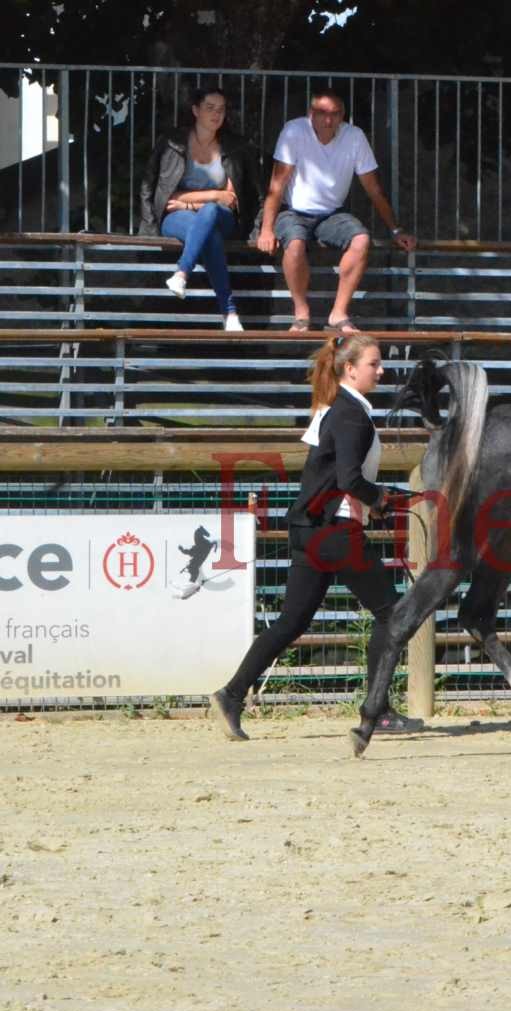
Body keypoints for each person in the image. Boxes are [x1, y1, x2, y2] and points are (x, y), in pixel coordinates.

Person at [209, 333, 420, 740]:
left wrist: (372, 499)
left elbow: (332, 477)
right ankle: (379, 711)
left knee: (291, 621)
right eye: (374, 364)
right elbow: (349, 479)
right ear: (350, 368)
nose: (381, 371)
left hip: (310, 529)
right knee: (391, 613)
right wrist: (377, 498)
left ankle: (232, 694)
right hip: (335, 530)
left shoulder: (334, 409)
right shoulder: (351, 415)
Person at [256, 87, 418, 333]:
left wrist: (396, 230)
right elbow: (277, 185)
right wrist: (267, 229)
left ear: (343, 116)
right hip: (293, 211)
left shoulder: (354, 137)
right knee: (296, 243)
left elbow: (373, 189)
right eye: (322, 113)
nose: (328, 120)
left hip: (331, 213)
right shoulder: (294, 131)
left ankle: (339, 313)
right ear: (311, 114)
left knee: (362, 239)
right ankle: (301, 314)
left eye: (335, 113)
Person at [138, 85, 261, 332]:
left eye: (221, 109)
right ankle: (229, 312)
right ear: (195, 110)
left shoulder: (235, 147)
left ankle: (182, 273)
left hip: (220, 216)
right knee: (210, 234)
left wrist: (192, 200)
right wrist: (213, 195)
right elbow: (159, 189)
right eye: (210, 108)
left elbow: (230, 198)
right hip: (175, 215)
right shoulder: (172, 143)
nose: (216, 114)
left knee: (211, 213)